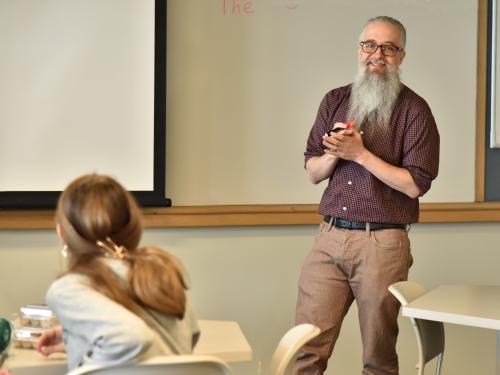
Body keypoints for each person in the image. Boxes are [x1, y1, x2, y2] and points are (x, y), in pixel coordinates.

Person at [294, 16, 439, 375]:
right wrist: (335, 152)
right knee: (304, 349)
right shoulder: (334, 99)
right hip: (329, 237)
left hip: (383, 243)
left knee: (378, 357)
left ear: (401, 56)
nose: (378, 55)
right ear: (359, 51)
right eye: (369, 45)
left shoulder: (415, 110)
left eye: (388, 48)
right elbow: (313, 172)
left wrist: (360, 154)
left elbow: (415, 184)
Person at [35, 173, 200, 371]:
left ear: (61, 232)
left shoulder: (68, 289)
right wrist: (78, 339)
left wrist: (87, 368)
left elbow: (133, 336)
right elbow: (186, 340)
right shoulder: (163, 272)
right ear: (132, 225)